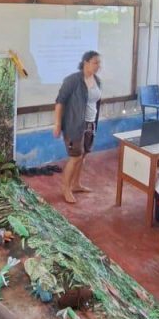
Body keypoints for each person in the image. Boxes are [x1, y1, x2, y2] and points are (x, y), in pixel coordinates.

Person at [54, 51, 102, 204]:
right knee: (75, 157)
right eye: (95, 62)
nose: (98, 66)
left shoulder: (97, 81)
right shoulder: (72, 80)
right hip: (74, 125)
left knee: (84, 155)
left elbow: (94, 102)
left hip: (90, 123)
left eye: (99, 63)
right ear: (85, 62)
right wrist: (58, 124)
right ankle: (66, 188)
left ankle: (76, 184)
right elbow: (60, 101)